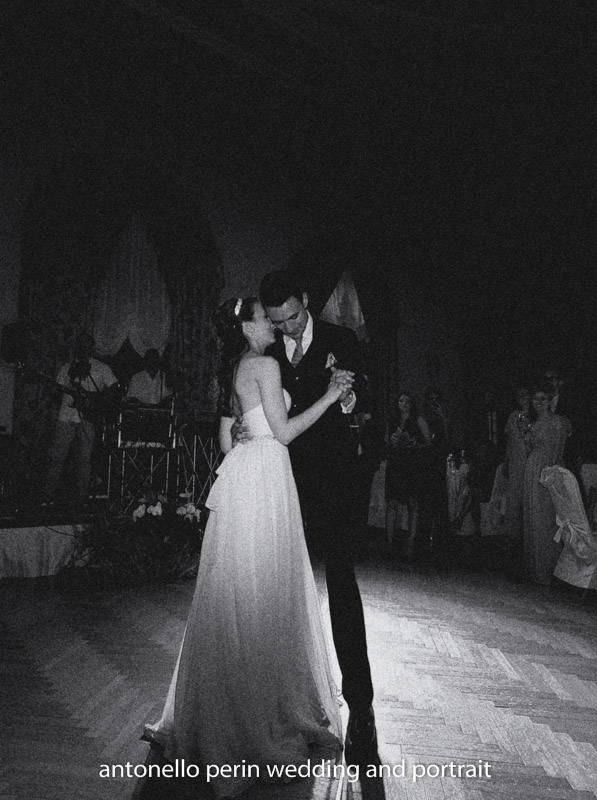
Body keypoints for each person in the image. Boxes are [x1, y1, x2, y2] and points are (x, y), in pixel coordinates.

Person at [144, 297, 353, 798]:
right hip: (265, 479)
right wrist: (330, 396)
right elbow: (284, 433)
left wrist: (243, 431)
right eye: (263, 317)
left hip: (240, 479)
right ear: (246, 326)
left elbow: (224, 441)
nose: (272, 325)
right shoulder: (264, 364)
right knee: (266, 590)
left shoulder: (236, 368)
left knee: (239, 591)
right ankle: (261, 713)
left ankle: (228, 706)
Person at [260, 269, 379, 767]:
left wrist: (347, 395)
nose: (287, 328)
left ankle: (361, 708)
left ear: (305, 301)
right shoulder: (266, 352)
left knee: (342, 584)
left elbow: (364, 399)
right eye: (278, 322)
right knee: (280, 589)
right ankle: (290, 704)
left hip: (333, 481)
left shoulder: (341, 339)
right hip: (282, 480)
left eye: (293, 317)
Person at [42, 334, 118, 502]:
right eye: (80, 344)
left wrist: (95, 400)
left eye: (87, 344)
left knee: (85, 459)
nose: (83, 347)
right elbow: (57, 392)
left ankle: (82, 498)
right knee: (57, 457)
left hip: (88, 418)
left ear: (92, 347)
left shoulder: (101, 368)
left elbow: (114, 389)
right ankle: (48, 495)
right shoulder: (66, 367)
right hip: (65, 416)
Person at [522, 381, 572, 585]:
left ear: (550, 400)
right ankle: (536, 569)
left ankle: (551, 569)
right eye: (535, 399)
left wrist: (553, 472)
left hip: (549, 469)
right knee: (534, 516)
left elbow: (559, 450)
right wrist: (526, 437)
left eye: (543, 398)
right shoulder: (532, 424)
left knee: (548, 518)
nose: (538, 402)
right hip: (532, 468)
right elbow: (528, 450)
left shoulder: (558, 422)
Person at [384, 392, 432, 558]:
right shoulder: (393, 421)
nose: (403, 404)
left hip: (412, 465)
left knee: (413, 504)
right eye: (400, 400)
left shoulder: (418, 420)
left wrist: (414, 443)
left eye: (407, 401)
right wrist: (392, 441)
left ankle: (411, 544)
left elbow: (428, 443)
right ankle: (389, 543)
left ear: (412, 404)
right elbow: (386, 442)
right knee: (392, 503)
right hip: (396, 464)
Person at [503, 385, 532, 561]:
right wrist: (506, 462)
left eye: (525, 394)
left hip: (529, 462)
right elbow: (509, 442)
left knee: (527, 500)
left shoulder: (535, 416)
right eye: (519, 394)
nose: (522, 397)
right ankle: (512, 546)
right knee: (513, 503)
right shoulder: (513, 416)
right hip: (515, 462)